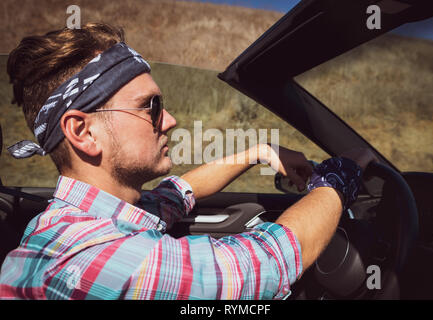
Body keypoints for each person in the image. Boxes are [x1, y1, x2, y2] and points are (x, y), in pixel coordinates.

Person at [0, 23, 377, 300]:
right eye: (150, 107)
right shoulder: (94, 261)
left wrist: (261, 152)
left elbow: (180, 191)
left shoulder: (90, 220)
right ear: (83, 132)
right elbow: (264, 263)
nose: (170, 120)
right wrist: (340, 175)